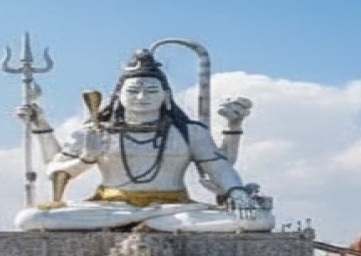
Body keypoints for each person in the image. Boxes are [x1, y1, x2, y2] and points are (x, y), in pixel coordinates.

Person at [14, 49, 273, 233]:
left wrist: (237, 192)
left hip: (173, 207)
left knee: (259, 220)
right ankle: (144, 221)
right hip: (111, 207)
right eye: (134, 91)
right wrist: (87, 158)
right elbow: (56, 171)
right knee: (30, 218)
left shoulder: (190, 131)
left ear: (166, 96)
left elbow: (218, 167)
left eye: (150, 91)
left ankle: (144, 221)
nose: (141, 97)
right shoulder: (96, 130)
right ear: (119, 96)